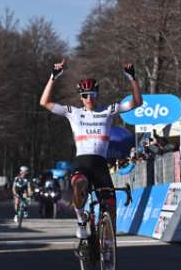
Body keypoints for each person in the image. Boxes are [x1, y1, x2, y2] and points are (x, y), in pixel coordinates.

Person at [40, 59, 142, 239]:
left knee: (110, 203)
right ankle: (80, 222)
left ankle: (107, 243)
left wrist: (132, 79)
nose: (89, 99)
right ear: (81, 96)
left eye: (93, 94)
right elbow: (45, 103)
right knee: (78, 185)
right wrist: (53, 77)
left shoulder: (108, 110)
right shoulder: (73, 112)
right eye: (85, 95)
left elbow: (137, 102)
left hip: (101, 163)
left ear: (97, 95)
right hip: (82, 161)